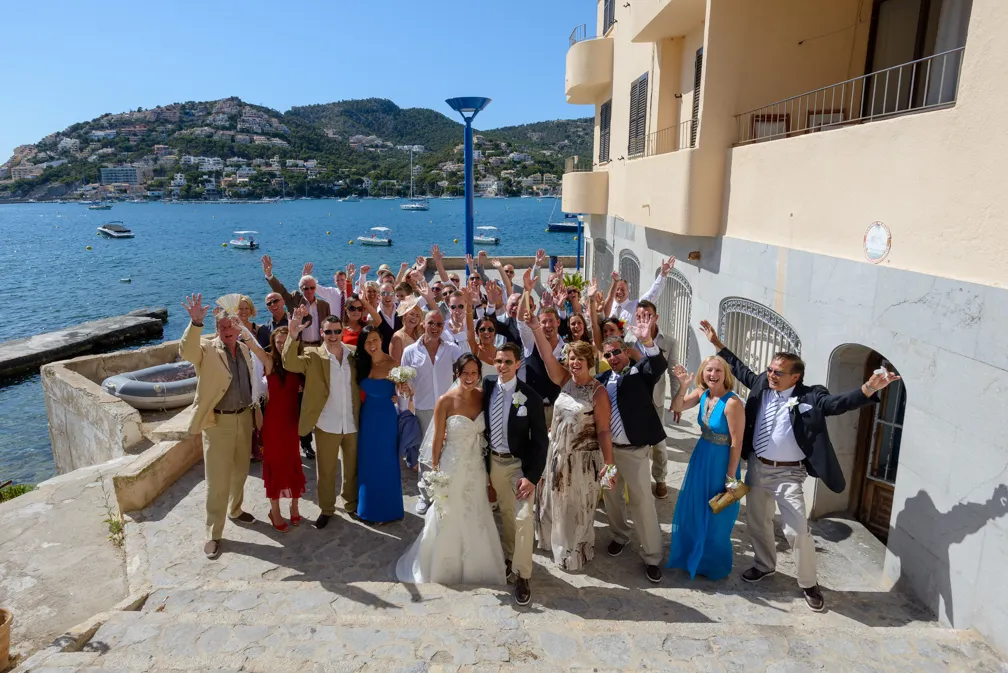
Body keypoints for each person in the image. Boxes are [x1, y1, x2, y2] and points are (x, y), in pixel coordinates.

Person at [699, 320, 899, 611]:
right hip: (757, 467)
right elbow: (740, 369)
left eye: (778, 373)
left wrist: (868, 388)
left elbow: (837, 404)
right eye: (769, 370)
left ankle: (808, 583)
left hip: (789, 473)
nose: (771, 375)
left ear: (795, 377)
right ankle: (764, 564)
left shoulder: (810, 396)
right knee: (757, 521)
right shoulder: (761, 385)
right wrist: (718, 344)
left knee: (796, 531)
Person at [396, 354, 507, 586]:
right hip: (452, 466)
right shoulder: (445, 401)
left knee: (476, 512)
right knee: (448, 512)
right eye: (465, 373)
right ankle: (441, 565)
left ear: (479, 374)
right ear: (457, 373)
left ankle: (479, 565)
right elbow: (437, 440)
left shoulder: (483, 397)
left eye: (474, 373)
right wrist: (435, 472)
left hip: (476, 467)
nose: (469, 377)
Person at [525, 320, 614, 571]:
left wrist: (609, 464)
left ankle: (575, 552)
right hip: (557, 454)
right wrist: (535, 328)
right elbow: (545, 356)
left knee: (577, 507)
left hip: (582, 460)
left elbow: (604, 430)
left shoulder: (598, 393)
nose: (574, 363)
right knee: (555, 502)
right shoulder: (564, 379)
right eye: (571, 358)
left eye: (579, 359)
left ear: (589, 363)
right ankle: (554, 544)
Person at [179, 294, 257, 560]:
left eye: (230, 326)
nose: (226, 331)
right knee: (217, 479)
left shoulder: (245, 349)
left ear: (238, 326)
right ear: (216, 329)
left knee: (240, 471)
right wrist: (195, 323)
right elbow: (186, 351)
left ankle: (235, 510)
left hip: (244, 417)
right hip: (218, 422)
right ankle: (214, 533)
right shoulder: (207, 349)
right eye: (221, 327)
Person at [597, 313, 668, 583]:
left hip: (635, 452)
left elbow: (657, 366)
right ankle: (619, 536)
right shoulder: (602, 379)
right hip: (609, 452)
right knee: (612, 499)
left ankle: (652, 555)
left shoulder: (639, 373)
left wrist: (647, 341)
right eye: (608, 354)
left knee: (642, 503)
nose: (613, 357)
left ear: (626, 352)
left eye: (617, 352)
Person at [665, 356, 744, 579]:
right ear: (702, 372)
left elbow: (737, 443)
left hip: (722, 464)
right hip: (702, 457)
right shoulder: (702, 394)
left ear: (725, 374)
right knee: (695, 508)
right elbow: (676, 406)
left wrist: (731, 477)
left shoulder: (732, 403)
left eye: (718, 370)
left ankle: (713, 565)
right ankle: (693, 557)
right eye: (709, 370)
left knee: (718, 515)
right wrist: (682, 386)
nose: (713, 374)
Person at [482, 343, 549, 605]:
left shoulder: (530, 397)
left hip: (519, 466)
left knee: (524, 517)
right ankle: (511, 557)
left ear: (518, 364)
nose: (502, 366)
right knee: (508, 515)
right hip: (494, 464)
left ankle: (522, 575)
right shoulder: (487, 386)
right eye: (499, 361)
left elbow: (540, 441)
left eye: (508, 362)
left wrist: (531, 476)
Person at [283, 308, 360, 528]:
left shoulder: (353, 353)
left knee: (351, 467)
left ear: (342, 331)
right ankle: (327, 508)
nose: (333, 335)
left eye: (337, 331)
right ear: (321, 332)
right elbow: (289, 363)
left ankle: (350, 503)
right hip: (327, 422)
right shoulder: (313, 355)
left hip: (352, 421)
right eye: (328, 332)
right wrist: (292, 335)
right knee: (326, 470)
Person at [401, 310, 463, 515]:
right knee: (426, 455)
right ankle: (425, 496)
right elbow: (405, 383)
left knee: (449, 452)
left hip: (449, 410)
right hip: (424, 408)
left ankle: (446, 493)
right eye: (431, 323)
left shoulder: (452, 349)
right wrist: (402, 393)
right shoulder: (410, 351)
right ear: (423, 324)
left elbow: (468, 363)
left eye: (439, 324)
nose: (435, 328)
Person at [354, 325, 405, 524]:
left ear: (381, 339)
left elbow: (404, 393)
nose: (371, 344)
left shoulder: (393, 364)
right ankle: (368, 509)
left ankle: (389, 510)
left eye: (374, 339)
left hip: (386, 418)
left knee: (386, 461)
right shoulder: (360, 363)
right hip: (367, 417)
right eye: (367, 342)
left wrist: (402, 390)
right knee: (368, 461)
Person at [625, 300, 673, 499]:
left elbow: (674, 372)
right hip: (635, 397)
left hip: (656, 398)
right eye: (639, 315)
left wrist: (678, 398)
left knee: (659, 442)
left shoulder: (668, 342)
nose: (643, 319)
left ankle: (660, 478)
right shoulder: (628, 339)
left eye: (647, 315)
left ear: (656, 317)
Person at [260, 327, 307, 532]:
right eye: (277, 342)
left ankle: (294, 504)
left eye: (284, 341)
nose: (280, 345)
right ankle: (275, 510)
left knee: (293, 461)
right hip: (273, 423)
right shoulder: (270, 362)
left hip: (291, 421)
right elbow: (253, 345)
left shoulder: (299, 363)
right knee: (275, 464)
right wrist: (241, 328)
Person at [604, 256, 675, 327]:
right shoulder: (609, 305)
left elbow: (651, 295)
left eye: (622, 289)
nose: (619, 292)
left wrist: (662, 275)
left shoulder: (635, 306)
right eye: (617, 289)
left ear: (628, 292)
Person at [465, 289, 499, 378]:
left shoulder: (500, 353)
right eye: (482, 329)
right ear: (477, 333)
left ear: (495, 332)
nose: (486, 332)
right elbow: (470, 331)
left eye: (490, 329)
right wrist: (468, 306)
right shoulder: (475, 349)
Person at [389, 297, 423, 365]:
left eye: (418, 316)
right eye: (411, 314)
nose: (414, 318)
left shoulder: (421, 331)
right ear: (405, 316)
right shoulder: (397, 337)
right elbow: (396, 366)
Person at [375, 281, 403, 353]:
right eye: (384, 293)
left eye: (390, 293)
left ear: (394, 295)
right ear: (378, 296)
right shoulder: (374, 316)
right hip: (384, 359)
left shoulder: (402, 311)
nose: (388, 296)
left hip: (402, 357)